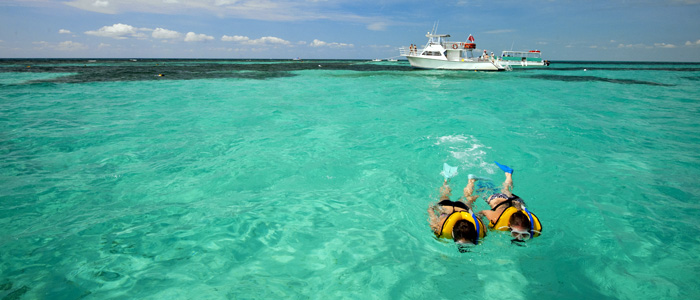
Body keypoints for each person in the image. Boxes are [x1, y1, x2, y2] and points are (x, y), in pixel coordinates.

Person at [473, 162, 542, 242]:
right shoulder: (495, 218)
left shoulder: (528, 225)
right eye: (515, 233)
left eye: (524, 234)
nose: (519, 238)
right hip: (499, 200)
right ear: (509, 224)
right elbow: (483, 212)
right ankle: (486, 176)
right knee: (482, 191)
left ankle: (509, 174)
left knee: (506, 190)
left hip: (517, 201)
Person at [428, 177, 487, 249]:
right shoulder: (439, 229)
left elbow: (480, 217)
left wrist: (430, 209)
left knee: (469, 199)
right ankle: (447, 180)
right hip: (446, 208)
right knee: (444, 196)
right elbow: (432, 218)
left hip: (462, 208)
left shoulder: (481, 228)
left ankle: (471, 181)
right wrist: (430, 209)